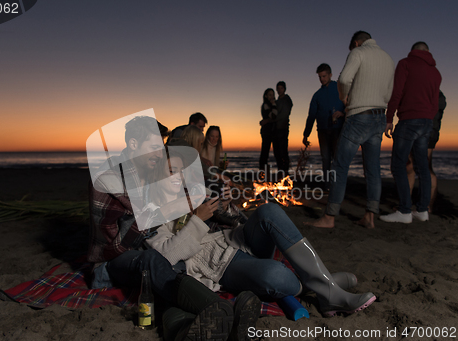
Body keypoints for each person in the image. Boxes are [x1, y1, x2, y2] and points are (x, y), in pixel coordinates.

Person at [145, 150, 377, 318]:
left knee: (269, 209)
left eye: (180, 171)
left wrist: (226, 204)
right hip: (217, 264)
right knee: (275, 275)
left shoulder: (195, 193)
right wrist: (197, 219)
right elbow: (166, 256)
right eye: (171, 171)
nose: (178, 176)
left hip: (236, 240)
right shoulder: (152, 212)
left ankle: (329, 290)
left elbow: (234, 218)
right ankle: (328, 284)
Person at [87, 116, 254, 341]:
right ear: (134, 144)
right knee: (154, 261)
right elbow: (117, 246)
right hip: (114, 259)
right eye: (155, 147)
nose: (160, 153)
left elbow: (174, 195)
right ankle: (223, 312)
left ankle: (181, 327)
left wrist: (212, 199)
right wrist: (168, 211)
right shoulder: (109, 179)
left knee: (172, 263)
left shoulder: (147, 169)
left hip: (150, 249)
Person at [305, 31, 394, 229]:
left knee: (339, 166)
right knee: (372, 170)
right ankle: (370, 216)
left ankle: (329, 217)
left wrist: (345, 99)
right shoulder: (387, 58)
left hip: (359, 117)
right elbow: (389, 91)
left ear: (355, 43)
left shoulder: (359, 52)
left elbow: (344, 79)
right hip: (379, 116)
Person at [380, 42, 442, 223]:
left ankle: (405, 211)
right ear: (428, 52)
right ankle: (422, 211)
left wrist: (389, 118)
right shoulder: (436, 72)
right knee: (422, 167)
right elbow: (435, 102)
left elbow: (397, 92)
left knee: (398, 165)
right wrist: (428, 118)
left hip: (409, 120)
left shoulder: (405, 63)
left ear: (413, 50)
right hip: (426, 123)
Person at [302, 64, 345, 189]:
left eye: (324, 76)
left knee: (338, 158)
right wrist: (306, 134)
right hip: (322, 130)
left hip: (338, 129)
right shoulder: (317, 95)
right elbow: (311, 116)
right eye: (320, 77)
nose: (322, 79)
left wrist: (343, 113)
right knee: (325, 158)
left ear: (330, 75)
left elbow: (349, 104)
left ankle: (338, 186)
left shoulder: (340, 89)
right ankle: (327, 185)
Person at [407, 90, 446, 214]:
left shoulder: (432, 93)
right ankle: (407, 204)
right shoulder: (434, 92)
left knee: (423, 167)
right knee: (411, 166)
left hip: (425, 131)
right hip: (426, 130)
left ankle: (426, 207)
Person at [274, 81, 293, 176]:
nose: (279, 90)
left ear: (284, 89)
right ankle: (280, 171)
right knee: (277, 152)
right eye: (278, 88)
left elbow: (284, 114)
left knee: (283, 151)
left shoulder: (287, 100)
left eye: (281, 88)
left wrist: (271, 120)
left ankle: (285, 173)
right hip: (275, 129)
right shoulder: (276, 101)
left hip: (283, 128)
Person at [259, 88, 277, 175]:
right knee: (265, 152)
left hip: (272, 131)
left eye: (273, 94)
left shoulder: (271, 105)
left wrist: (267, 120)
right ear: (266, 96)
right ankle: (263, 173)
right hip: (267, 131)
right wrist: (273, 104)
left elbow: (273, 117)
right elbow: (273, 116)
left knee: (274, 151)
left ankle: (264, 172)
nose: (272, 96)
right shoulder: (266, 105)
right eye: (270, 94)